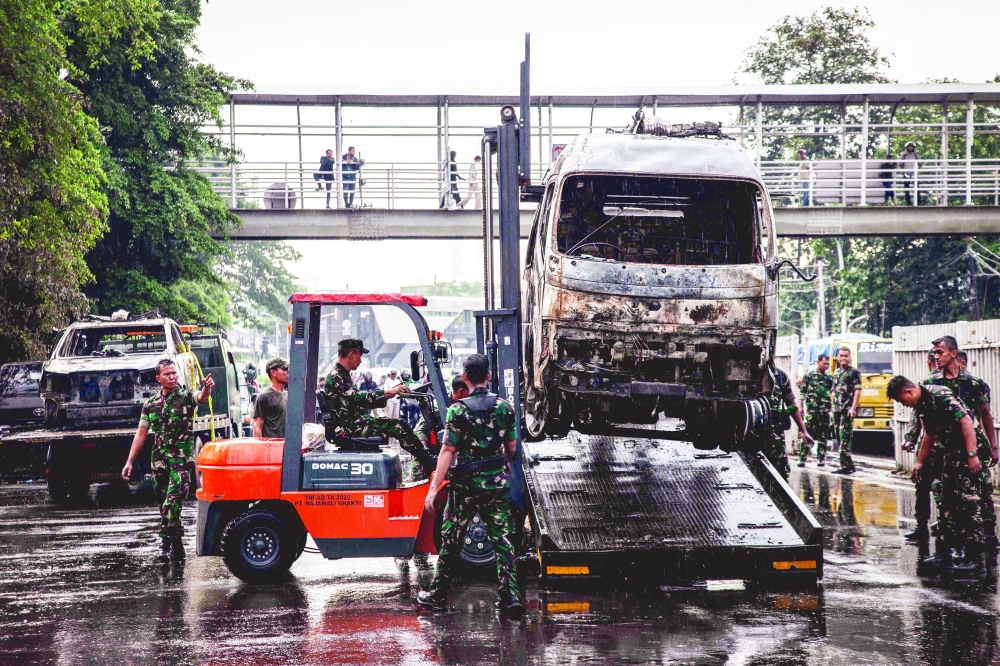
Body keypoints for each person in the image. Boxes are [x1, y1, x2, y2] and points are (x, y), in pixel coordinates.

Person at [417, 354, 522, 615]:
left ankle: (438, 597)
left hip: (464, 488)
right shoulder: (504, 407)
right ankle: (512, 599)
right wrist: (502, 465)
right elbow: (511, 447)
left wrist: (432, 489)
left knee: (451, 541)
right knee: (502, 541)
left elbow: (447, 451)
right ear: (488, 376)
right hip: (496, 485)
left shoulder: (458, 410)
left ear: (465, 378)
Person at [888, 375, 992, 574]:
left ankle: (974, 558)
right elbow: (930, 433)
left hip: (969, 452)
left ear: (909, 392)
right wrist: (919, 461)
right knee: (945, 500)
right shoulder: (922, 404)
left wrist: (972, 455)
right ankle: (944, 553)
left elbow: (967, 422)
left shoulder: (940, 395)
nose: (905, 405)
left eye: (903, 401)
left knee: (968, 503)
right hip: (950, 453)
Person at [121, 359, 214, 563]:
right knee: (164, 503)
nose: (172, 377)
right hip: (159, 461)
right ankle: (177, 542)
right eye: (167, 374)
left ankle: (164, 544)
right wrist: (129, 462)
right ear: (158, 378)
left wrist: (205, 389)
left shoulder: (186, 396)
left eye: (174, 373)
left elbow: (200, 398)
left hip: (181, 460)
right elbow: (141, 433)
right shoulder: (151, 404)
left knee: (172, 501)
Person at [322, 339, 432, 469]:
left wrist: (389, 393)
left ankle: (426, 459)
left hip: (354, 423)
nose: (361, 360)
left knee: (397, 424)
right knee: (399, 426)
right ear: (351, 354)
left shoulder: (342, 375)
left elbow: (356, 402)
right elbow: (357, 398)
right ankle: (429, 462)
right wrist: (387, 393)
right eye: (360, 356)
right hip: (351, 427)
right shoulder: (337, 376)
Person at [901, 350, 943, 541]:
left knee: (946, 488)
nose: (937, 363)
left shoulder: (960, 384)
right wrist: (910, 437)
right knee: (921, 483)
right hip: (928, 444)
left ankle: (946, 525)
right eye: (934, 360)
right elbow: (918, 416)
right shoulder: (924, 386)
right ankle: (921, 526)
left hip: (948, 445)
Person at [410, 376, 469, 481]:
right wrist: (424, 450)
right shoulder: (438, 406)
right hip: (435, 450)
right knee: (419, 465)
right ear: (462, 391)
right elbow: (421, 430)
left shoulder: (467, 406)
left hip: (455, 450)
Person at [766, 367, 813, 479]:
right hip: (750, 437)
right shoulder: (746, 374)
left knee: (780, 474)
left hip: (775, 437)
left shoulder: (780, 376)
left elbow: (791, 403)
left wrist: (804, 431)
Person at [798, 354, 833, 467]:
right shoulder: (808, 376)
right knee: (807, 433)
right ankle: (802, 458)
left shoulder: (829, 379)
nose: (826, 366)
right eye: (824, 363)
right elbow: (802, 392)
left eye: (828, 364)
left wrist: (831, 410)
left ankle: (821, 458)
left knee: (823, 435)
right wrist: (800, 406)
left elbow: (832, 394)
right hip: (812, 411)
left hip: (824, 411)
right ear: (818, 362)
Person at [831, 347, 862, 474]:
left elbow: (857, 390)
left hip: (847, 410)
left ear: (850, 357)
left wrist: (853, 408)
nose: (843, 358)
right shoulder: (837, 372)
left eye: (846, 356)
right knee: (839, 438)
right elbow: (833, 391)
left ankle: (844, 466)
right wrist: (832, 409)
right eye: (841, 356)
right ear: (837, 357)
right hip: (837, 410)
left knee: (845, 438)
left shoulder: (853, 372)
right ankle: (850, 465)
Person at [252, 357, 288, 439]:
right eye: (284, 369)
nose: (287, 372)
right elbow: (257, 426)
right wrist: (261, 449)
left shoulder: (289, 396)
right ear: (273, 373)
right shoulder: (264, 396)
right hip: (271, 448)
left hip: (287, 448)